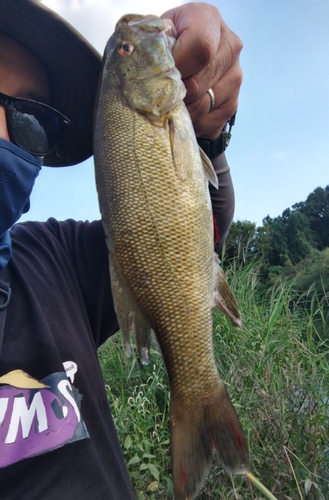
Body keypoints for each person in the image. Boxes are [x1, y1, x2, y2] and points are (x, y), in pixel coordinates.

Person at [0, 0, 243, 498]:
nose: (4, 132)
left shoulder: (54, 259)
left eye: (28, 119)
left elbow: (200, 230)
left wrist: (212, 140)